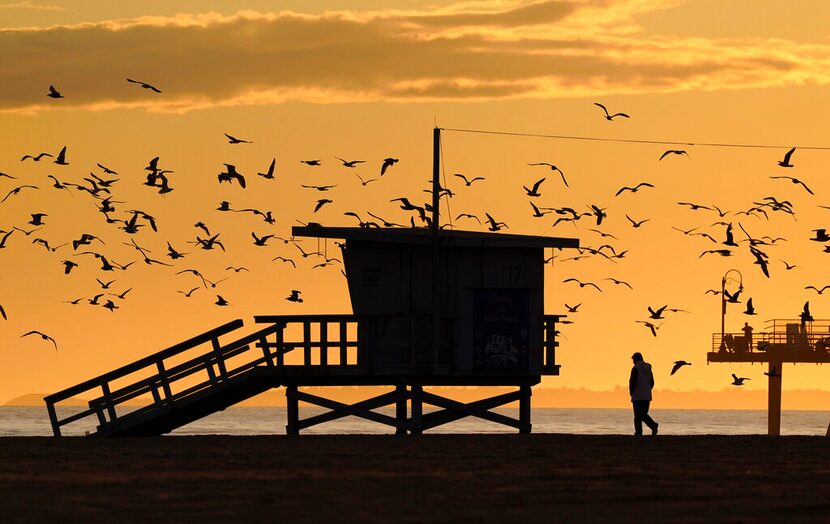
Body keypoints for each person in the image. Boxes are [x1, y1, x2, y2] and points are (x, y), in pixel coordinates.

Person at [629, 352, 658, 436]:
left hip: (637, 395)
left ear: (636, 359)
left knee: (638, 416)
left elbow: (632, 382)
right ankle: (653, 426)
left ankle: (639, 432)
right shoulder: (648, 368)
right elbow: (652, 382)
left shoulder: (635, 368)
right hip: (647, 396)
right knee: (643, 414)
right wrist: (648, 389)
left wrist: (631, 392)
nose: (633, 362)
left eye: (633, 360)